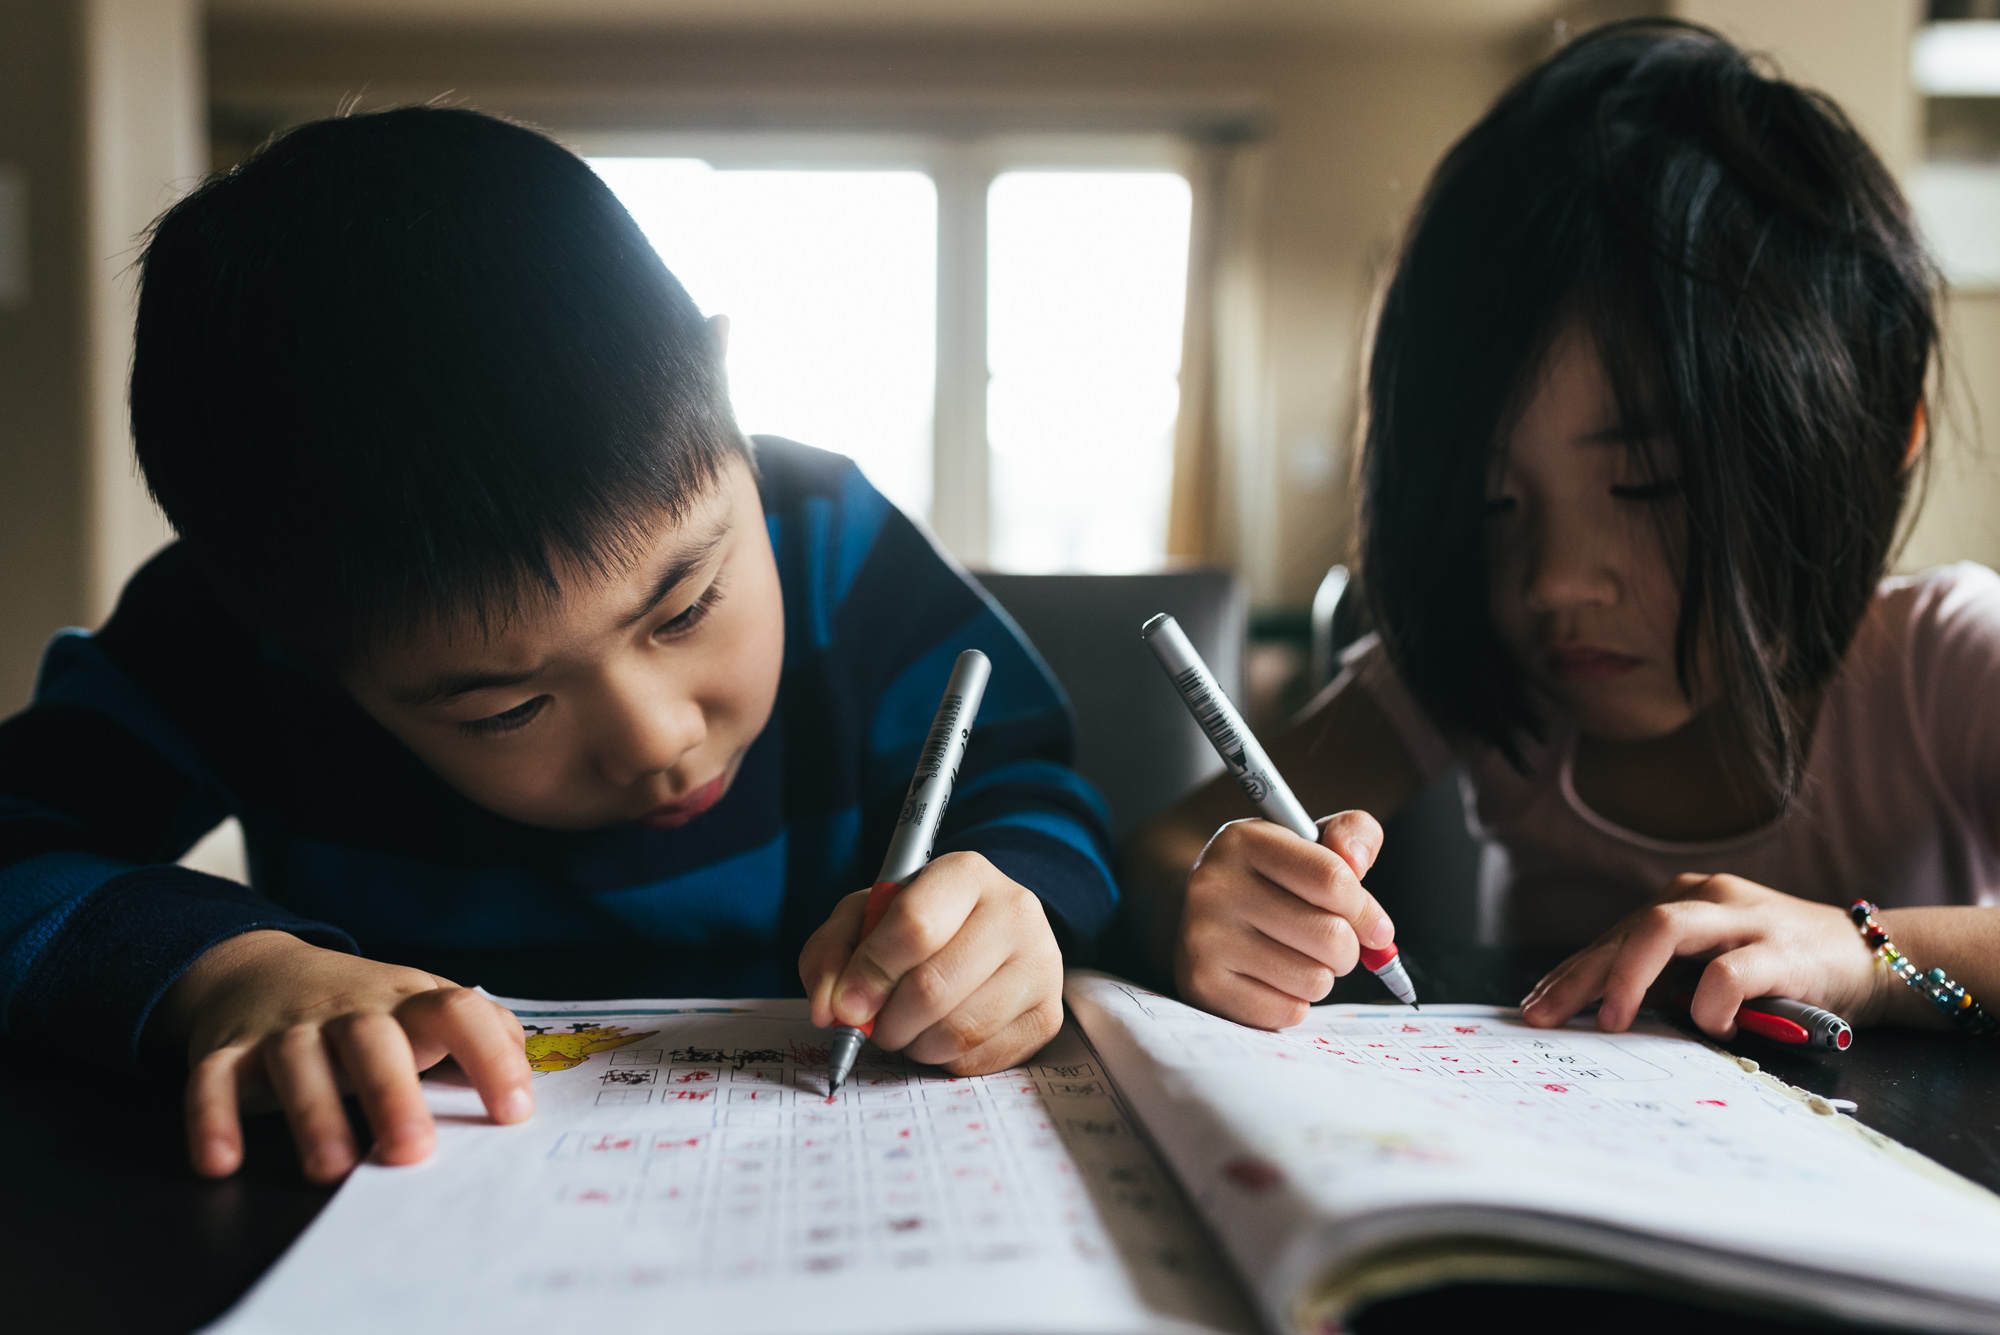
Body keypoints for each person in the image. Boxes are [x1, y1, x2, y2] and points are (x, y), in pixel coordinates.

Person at [0, 107, 1116, 1184]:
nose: (657, 740)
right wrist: (230, 974)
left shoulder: (828, 536)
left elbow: (1025, 773)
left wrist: (1008, 905)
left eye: (681, 611)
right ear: (300, 651)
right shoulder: (231, 630)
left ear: (723, 398)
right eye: (504, 710)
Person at [1122, 20, 2000, 1043]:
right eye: (1494, 501)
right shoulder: (1477, 669)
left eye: (1648, 486)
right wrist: (1211, 900)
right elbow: (1160, 850)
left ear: (1872, 439)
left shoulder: (1945, 660)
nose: (1551, 583)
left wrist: (1869, 953)